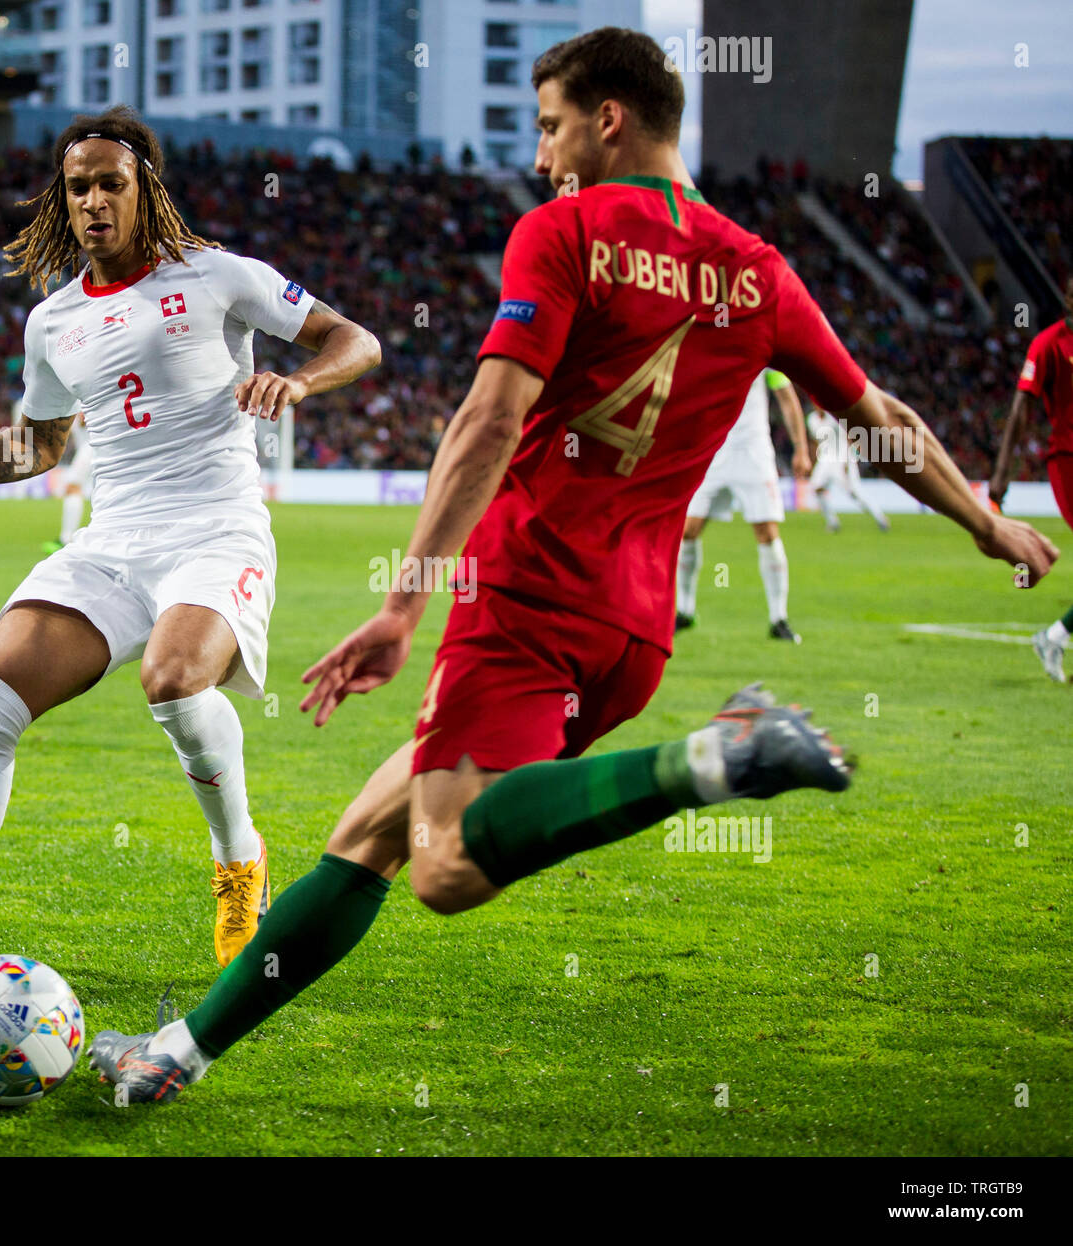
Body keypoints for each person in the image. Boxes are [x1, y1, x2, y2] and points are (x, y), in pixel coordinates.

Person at [87, 30, 1056, 1103]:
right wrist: (984, 522)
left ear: (607, 120)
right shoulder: (757, 270)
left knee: (447, 865)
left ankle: (717, 756)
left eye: (549, 125)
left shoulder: (565, 232)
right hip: (633, 633)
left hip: (527, 595)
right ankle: (174, 1056)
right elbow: (881, 417)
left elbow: (487, 419)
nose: (543, 155)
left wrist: (405, 605)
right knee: (369, 834)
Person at [0, 105, 381, 989]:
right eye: (78, 186)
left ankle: (240, 861)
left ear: (144, 188)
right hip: (112, 542)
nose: (93, 201)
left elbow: (359, 340)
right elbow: (40, 448)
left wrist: (297, 379)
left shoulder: (219, 275)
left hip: (215, 526)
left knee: (174, 676)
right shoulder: (54, 322)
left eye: (111, 183)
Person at [675, 368, 811, 641]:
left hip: (753, 452)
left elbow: (786, 397)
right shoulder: (703, 339)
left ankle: (778, 618)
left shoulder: (764, 348)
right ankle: (685, 611)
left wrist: (801, 448)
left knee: (767, 532)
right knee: (688, 529)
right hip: (712, 451)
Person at [990, 277, 1073, 682]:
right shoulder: (1047, 345)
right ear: (1068, 300)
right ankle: (1055, 636)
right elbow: (1022, 408)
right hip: (1067, 460)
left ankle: (1055, 636)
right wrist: (1002, 472)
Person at [807, 406, 890, 534]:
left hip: (842, 457)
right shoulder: (812, 419)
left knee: (855, 493)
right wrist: (812, 461)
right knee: (816, 487)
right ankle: (832, 522)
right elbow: (814, 442)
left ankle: (880, 518)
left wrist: (849, 459)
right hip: (825, 458)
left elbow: (848, 436)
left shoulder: (833, 416)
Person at [43, 411, 93, 553]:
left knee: (72, 487)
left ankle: (66, 539)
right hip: (93, 448)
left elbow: (84, 420)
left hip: (91, 448)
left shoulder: (82, 397)